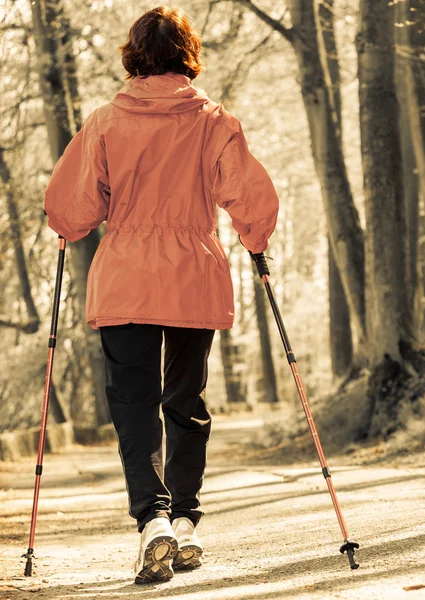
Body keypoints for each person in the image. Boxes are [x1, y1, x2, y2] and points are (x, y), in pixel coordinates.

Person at [44, 5, 279, 585]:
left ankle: (154, 517)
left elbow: (73, 209)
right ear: (186, 56)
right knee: (186, 400)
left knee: (133, 404)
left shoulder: (104, 122)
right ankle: (189, 519)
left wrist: (65, 226)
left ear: (134, 58)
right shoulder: (215, 121)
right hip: (193, 274)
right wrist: (255, 240)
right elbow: (250, 195)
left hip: (126, 275)